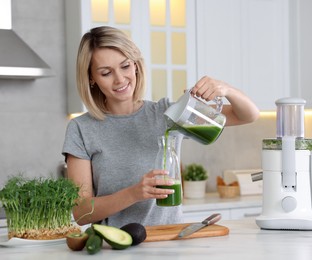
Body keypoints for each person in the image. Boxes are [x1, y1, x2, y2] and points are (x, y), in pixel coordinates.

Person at [62, 26, 259, 228]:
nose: (120, 79)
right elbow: (81, 212)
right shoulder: (81, 128)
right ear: (91, 79)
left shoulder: (167, 114)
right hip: (114, 247)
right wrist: (134, 193)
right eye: (106, 73)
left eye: (125, 66)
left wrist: (226, 89)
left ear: (136, 65)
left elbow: (248, 115)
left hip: (170, 241)